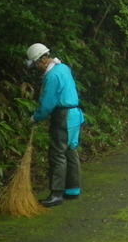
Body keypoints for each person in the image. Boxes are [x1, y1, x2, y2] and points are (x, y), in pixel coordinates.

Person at [26, 43, 85, 207]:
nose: (36, 67)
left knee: (57, 153)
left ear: (43, 59)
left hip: (63, 116)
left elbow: (47, 104)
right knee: (70, 151)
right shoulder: (63, 68)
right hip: (74, 115)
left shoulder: (52, 76)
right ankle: (72, 190)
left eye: (36, 64)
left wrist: (35, 118)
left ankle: (56, 194)